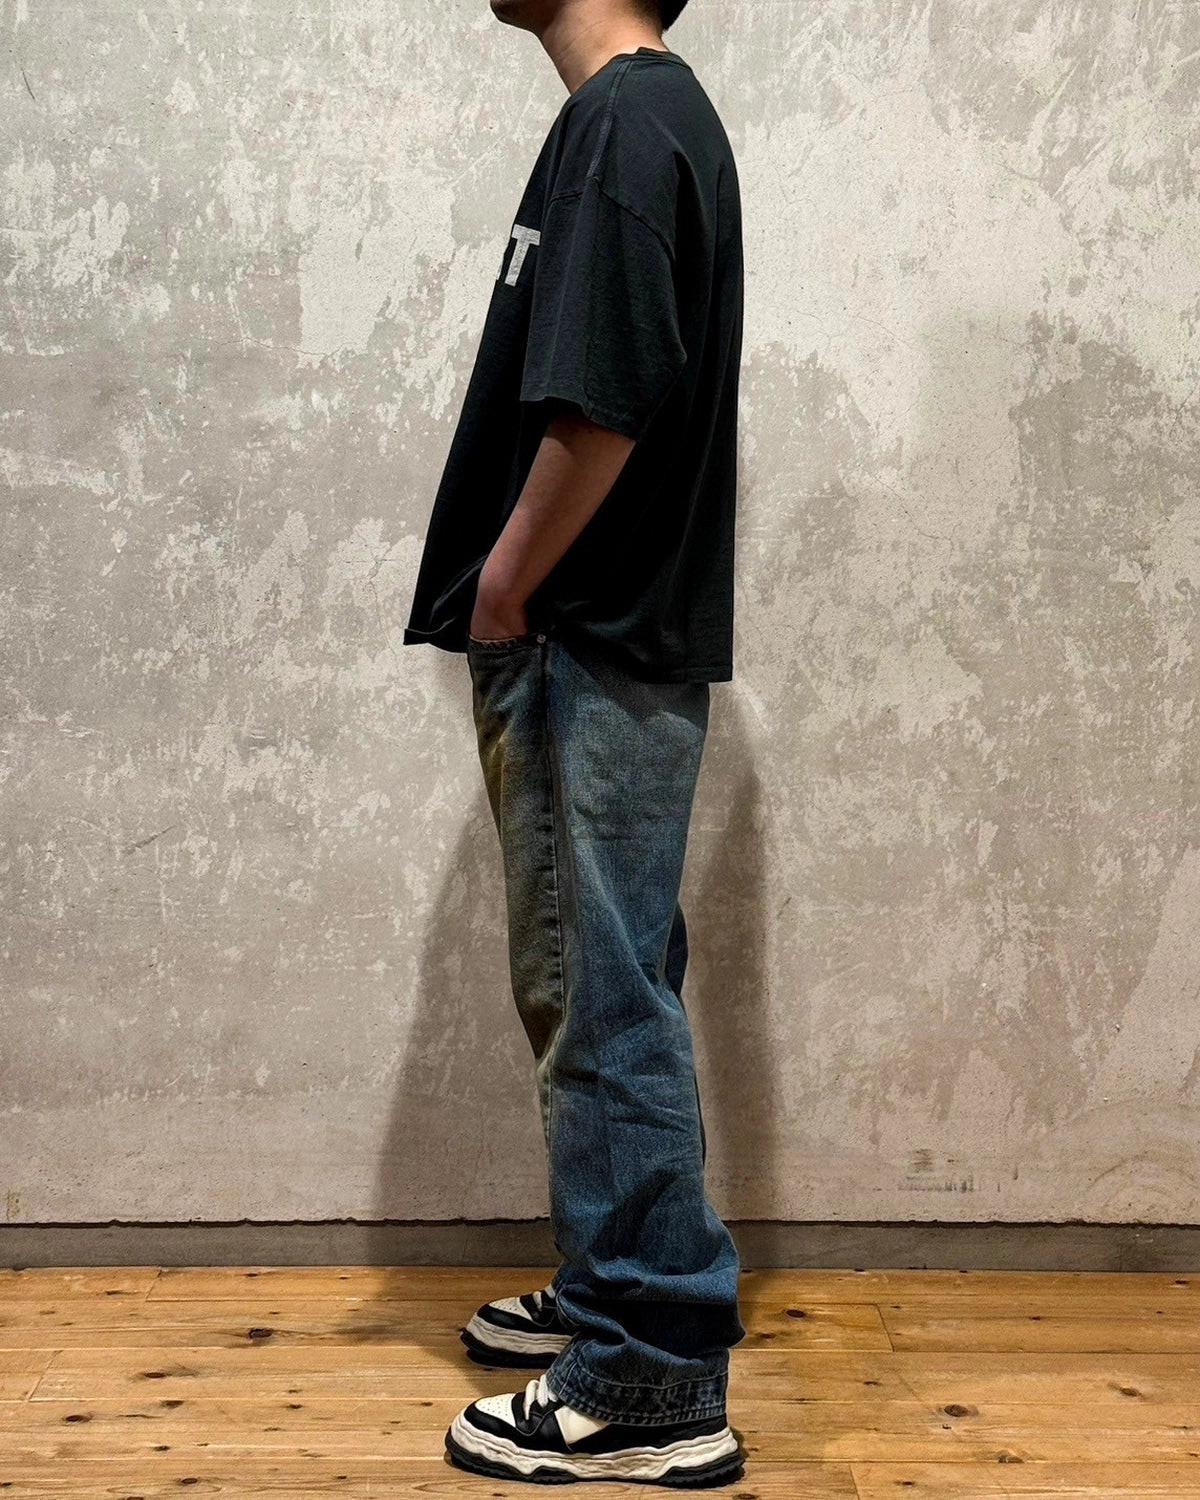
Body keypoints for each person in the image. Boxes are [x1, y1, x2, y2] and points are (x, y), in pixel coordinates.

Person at [403, 0, 747, 1484]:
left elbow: (605, 398)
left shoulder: (622, 119)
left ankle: (650, 1370)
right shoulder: (654, 115)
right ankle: (620, 1287)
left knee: (601, 996)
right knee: (607, 981)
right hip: (612, 638)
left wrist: (506, 586)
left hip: (583, 634)